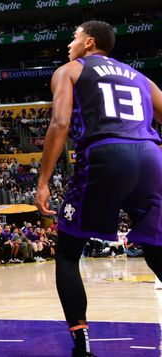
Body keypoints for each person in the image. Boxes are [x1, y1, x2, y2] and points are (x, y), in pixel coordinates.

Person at [35, 21, 162, 357]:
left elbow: (60, 123)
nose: (69, 44)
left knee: (66, 253)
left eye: (73, 38)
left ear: (89, 43)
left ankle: (82, 345)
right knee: (155, 248)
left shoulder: (71, 70)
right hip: (151, 157)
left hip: (106, 153)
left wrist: (44, 181)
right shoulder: (140, 77)